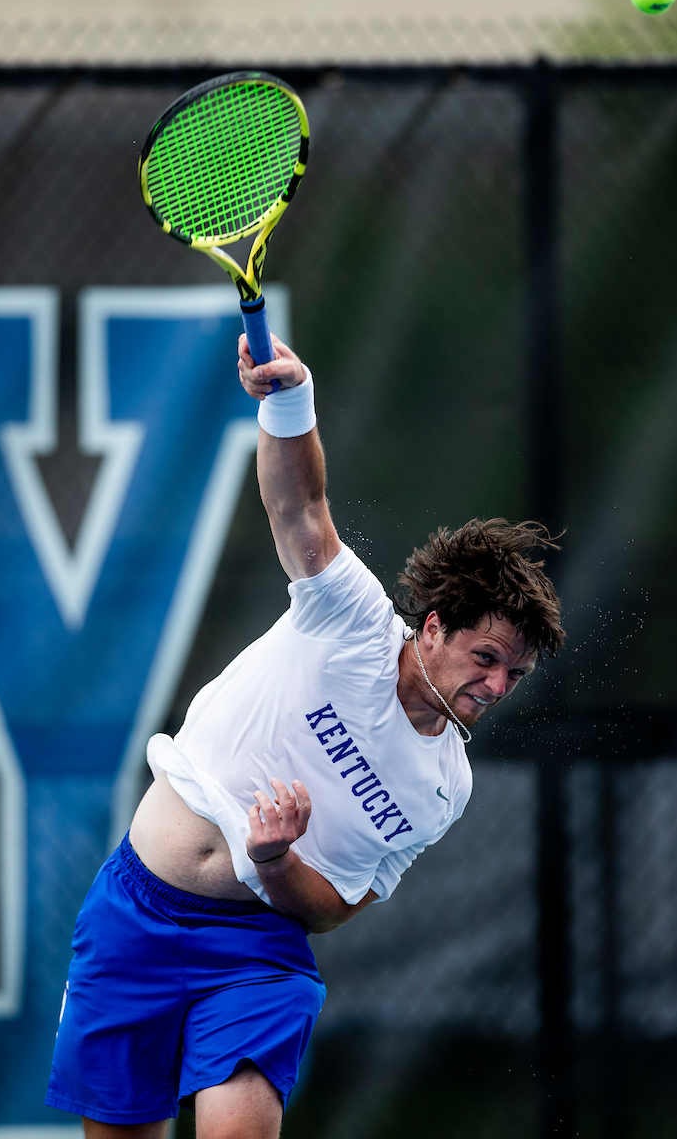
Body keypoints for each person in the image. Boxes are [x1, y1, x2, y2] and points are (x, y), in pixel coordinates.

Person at [45, 335, 564, 1139]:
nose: (496, 686)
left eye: (514, 677)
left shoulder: (443, 788)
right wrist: (291, 399)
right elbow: (300, 508)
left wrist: (275, 860)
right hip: (133, 910)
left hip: (257, 951)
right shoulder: (351, 619)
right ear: (432, 629)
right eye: (486, 658)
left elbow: (332, 908)